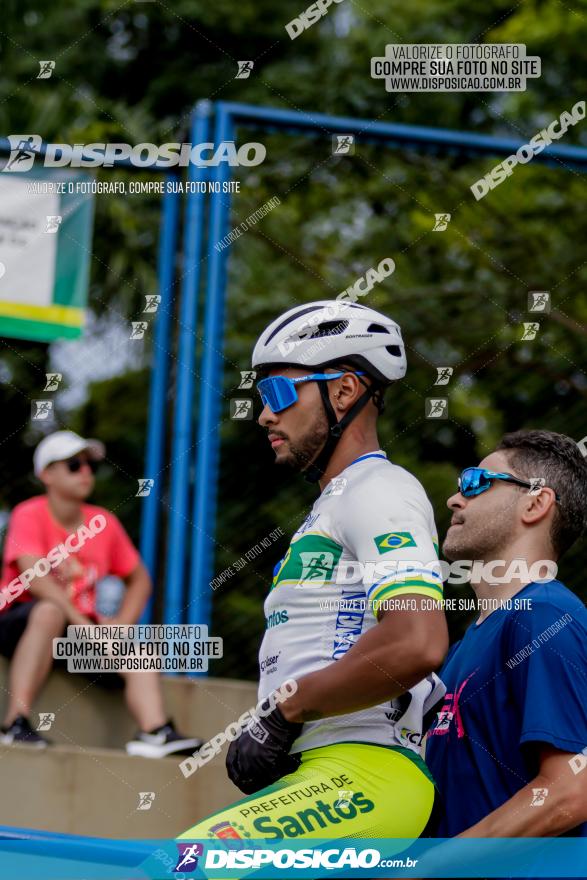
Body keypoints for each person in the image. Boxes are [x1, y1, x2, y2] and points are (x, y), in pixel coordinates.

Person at [176, 299, 448, 843]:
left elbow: (417, 642)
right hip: (326, 772)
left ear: (344, 391)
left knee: (185, 864)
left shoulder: (380, 489)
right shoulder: (334, 505)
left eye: (277, 392)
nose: (263, 414)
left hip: (366, 772)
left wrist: (283, 715)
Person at [0, 430, 202, 758]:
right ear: (46, 474)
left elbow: (140, 580)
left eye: (90, 466)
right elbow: (32, 575)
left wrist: (120, 624)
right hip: (22, 622)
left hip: (77, 634)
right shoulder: (29, 513)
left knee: (140, 651)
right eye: (74, 465)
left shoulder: (102, 522)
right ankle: (14, 724)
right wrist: (82, 622)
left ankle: (154, 732)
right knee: (50, 611)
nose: (85, 473)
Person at [426, 429, 587, 839]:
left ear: (535, 503)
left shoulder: (543, 615)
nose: (455, 498)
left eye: (477, 482)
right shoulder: (467, 644)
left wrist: (427, 869)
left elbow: (569, 790)